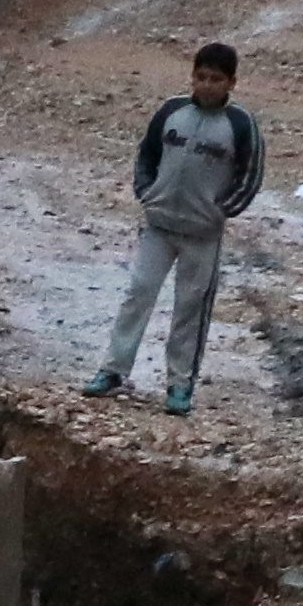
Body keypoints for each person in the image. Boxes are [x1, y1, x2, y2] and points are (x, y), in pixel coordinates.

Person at [93, 41, 263, 415]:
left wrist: (221, 212)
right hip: (159, 225)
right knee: (138, 293)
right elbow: (147, 155)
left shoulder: (240, 124)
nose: (207, 85)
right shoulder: (172, 112)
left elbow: (249, 176)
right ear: (192, 76)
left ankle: (179, 385)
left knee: (190, 306)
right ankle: (113, 370)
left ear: (231, 82)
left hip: (203, 234)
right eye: (201, 77)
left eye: (216, 79)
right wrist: (146, 193)